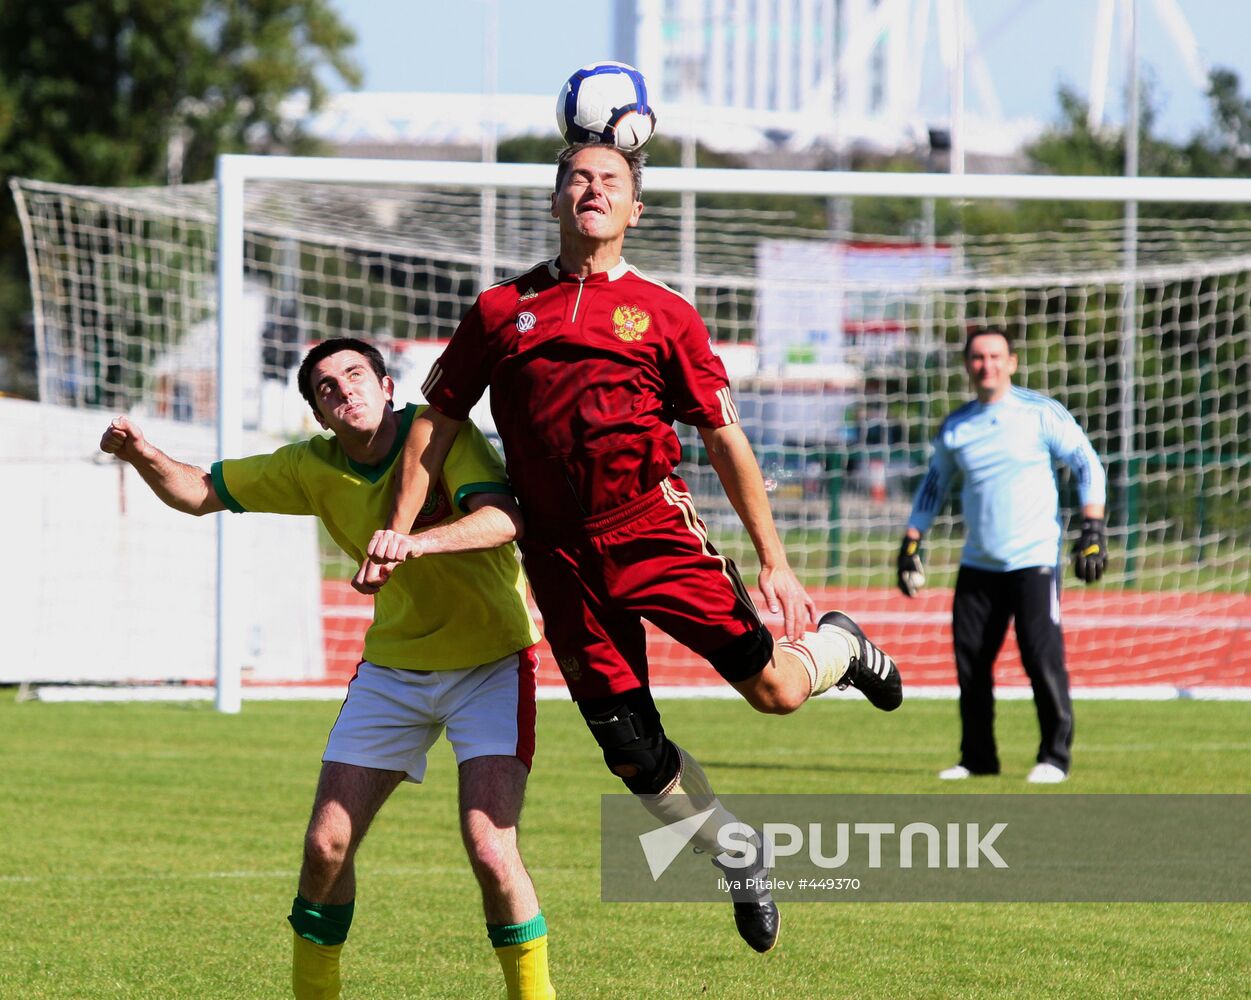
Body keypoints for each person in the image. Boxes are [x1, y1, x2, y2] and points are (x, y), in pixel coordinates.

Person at [357, 143, 903, 954]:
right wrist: (400, 527)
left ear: (634, 211)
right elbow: (434, 421)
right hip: (557, 557)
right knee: (632, 755)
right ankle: (736, 856)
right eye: (577, 178)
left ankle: (837, 644)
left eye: (610, 181)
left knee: (776, 693)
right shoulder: (500, 310)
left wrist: (774, 559)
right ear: (553, 204)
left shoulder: (666, 313)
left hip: (651, 531)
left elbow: (722, 436)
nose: (592, 189)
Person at [99, 337, 555, 1000]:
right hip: (394, 673)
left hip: (490, 666)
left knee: (490, 849)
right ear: (319, 415)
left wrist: (414, 542)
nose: (346, 392)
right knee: (325, 847)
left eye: (356, 375)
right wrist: (141, 452)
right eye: (327, 389)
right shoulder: (309, 467)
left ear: (388, 385)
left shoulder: (441, 435)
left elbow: (500, 518)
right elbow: (198, 492)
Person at [897, 327, 1108, 785]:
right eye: (977, 357)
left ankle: (1054, 756)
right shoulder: (957, 426)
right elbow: (933, 487)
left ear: (1011, 362)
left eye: (995, 356)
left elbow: (1087, 463)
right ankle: (978, 758)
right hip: (978, 564)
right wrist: (912, 541)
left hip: (1034, 562)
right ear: (967, 365)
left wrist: (1092, 528)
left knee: (1040, 658)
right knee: (971, 666)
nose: (986, 365)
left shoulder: (1041, 414)